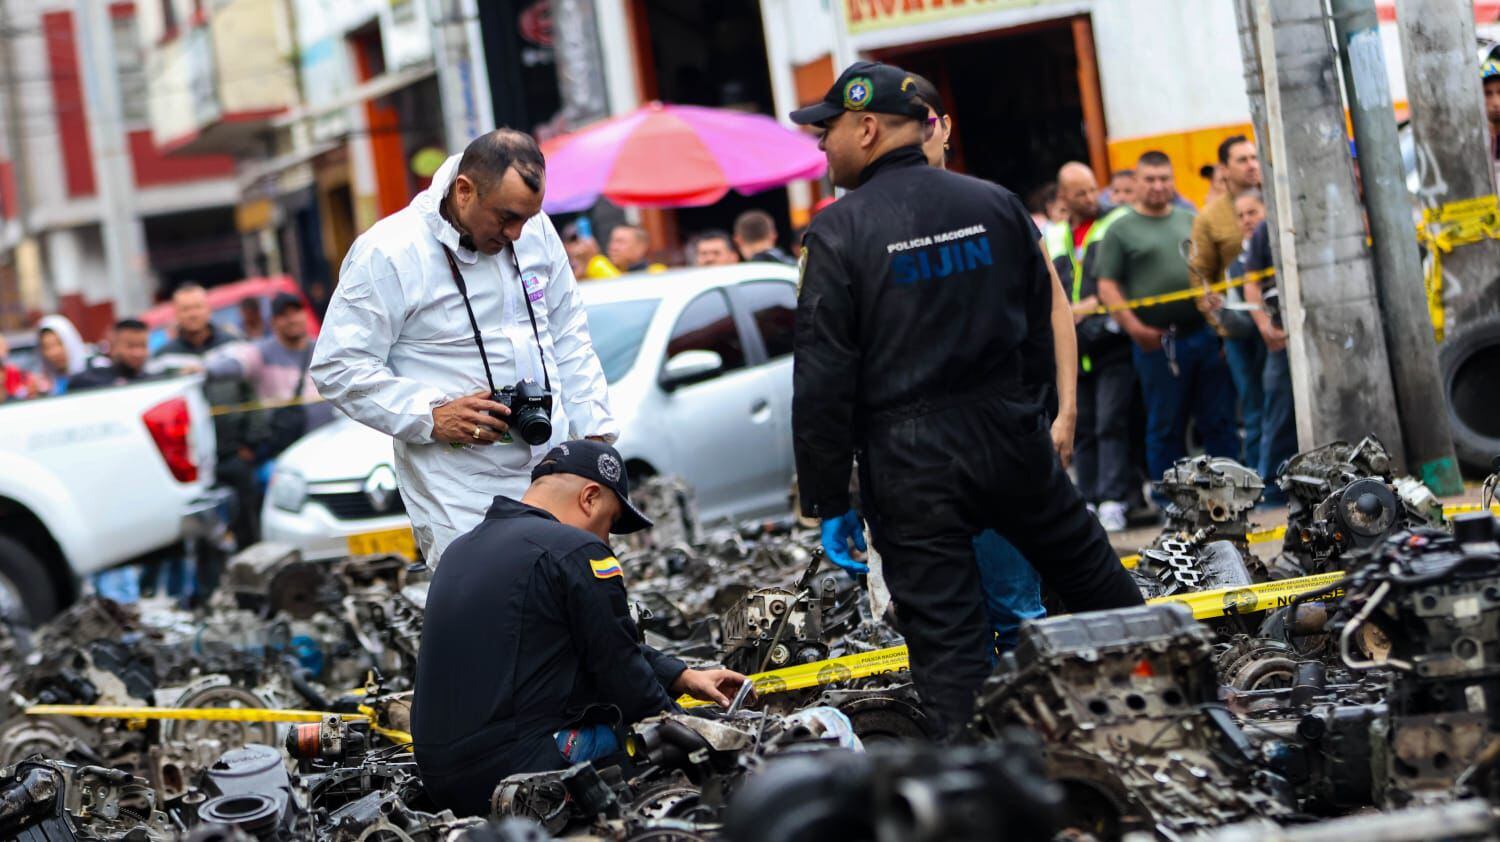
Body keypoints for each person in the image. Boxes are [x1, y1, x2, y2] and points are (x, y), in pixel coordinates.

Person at [790, 61, 1144, 737]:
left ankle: (981, 792)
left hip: (910, 462)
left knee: (950, 651)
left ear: (866, 129)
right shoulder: (993, 204)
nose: (821, 146)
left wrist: (830, 498)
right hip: (1010, 433)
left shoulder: (837, 233)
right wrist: (1034, 415)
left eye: (826, 131)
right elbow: (1043, 320)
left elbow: (823, 376)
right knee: (1101, 588)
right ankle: (1174, 721)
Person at [312, 130, 618, 566]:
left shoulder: (535, 230)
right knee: (496, 617)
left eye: (528, 219)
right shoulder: (389, 251)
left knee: (572, 609)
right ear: (463, 190)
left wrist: (594, 439)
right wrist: (431, 415)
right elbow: (336, 367)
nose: (516, 233)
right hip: (461, 487)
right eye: (505, 217)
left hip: (555, 469)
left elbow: (569, 332)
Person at [414, 439, 748, 816]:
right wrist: (702, 731)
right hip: (517, 772)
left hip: (441, 781)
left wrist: (682, 675)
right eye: (610, 523)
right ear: (590, 497)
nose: (607, 540)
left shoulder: (461, 549)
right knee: (656, 745)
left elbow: (589, 641)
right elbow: (626, 681)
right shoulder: (576, 550)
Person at [1095, 150, 1239, 490]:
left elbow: (1211, 269)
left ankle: (1231, 492)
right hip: (1157, 342)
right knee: (1165, 424)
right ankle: (1169, 500)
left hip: (1202, 335)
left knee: (1218, 420)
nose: (1158, 186)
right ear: (1137, 182)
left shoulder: (1190, 218)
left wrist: (1218, 319)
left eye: (1164, 179)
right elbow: (1107, 285)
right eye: (1150, 180)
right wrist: (1135, 329)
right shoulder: (1119, 229)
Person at [1044, 162, 1135, 532]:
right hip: (1073, 347)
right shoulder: (1053, 237)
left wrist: (1091, 307)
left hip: (1108, 340)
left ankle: (1115, 499)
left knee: (1113, 421)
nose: (1089, 198)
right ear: (1063, 197)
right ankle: (1092, 498)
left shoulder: (1115, 224)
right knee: (1084, 424)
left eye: (1093, 189)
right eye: (1080, 193)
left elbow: (1121, 280)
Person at [157, 283, 264, 551]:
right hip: (192, 462)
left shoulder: (235, 346)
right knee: (202, 536)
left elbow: (253, 394)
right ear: (176, 313)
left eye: (197, 307)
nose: (192, 314)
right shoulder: (163, 358)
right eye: (185, 309)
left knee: (248, 523)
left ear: (208, 309)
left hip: (235, 453)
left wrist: (249, 445)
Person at [208, 293, 334, 463]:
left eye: (296, 312)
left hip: (331, 441)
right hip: (287, 452)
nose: (292, 319)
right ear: (273, 322)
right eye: (284, 315)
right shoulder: (261, 352)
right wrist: (203, 369)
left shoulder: (324, 349)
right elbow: (232, 365)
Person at [1212, 190, 1269, 471]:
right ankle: (1262, 476)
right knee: (1254, 409)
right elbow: (1233, 316)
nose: (1247, 220)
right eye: (1241, 215)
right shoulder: (1230, 262)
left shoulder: (1274, 251)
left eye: (1252, 212)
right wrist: (1219, 309)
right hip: (1243, 342)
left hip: (1270, 342)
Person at [1242, 216, 1295, 503]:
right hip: (1282, 334)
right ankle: (1273, 491)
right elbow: (1250, 283)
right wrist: (1264, 325)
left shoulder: (1356, 213)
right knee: (1279, 411)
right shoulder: (1268, 227)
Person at [1189, 135, 1261, 290]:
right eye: (1242, 160)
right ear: (1224, 170)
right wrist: (1215, 311)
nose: (1252, 165)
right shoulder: (1208, 217)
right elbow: (1200, 272)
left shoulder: (1280, 203)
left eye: (1254, 158)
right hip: (1240, 308)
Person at [70, 319, 151, 391]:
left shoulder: (153, 382)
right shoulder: (88, 382)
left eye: (143, 346)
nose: (137, 353)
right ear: (113, 346)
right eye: (130, 346)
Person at [34, 315, 89, 396]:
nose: (54, 352)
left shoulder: (96, 369)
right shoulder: (47, 386)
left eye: (59, 343)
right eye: (47, 347)